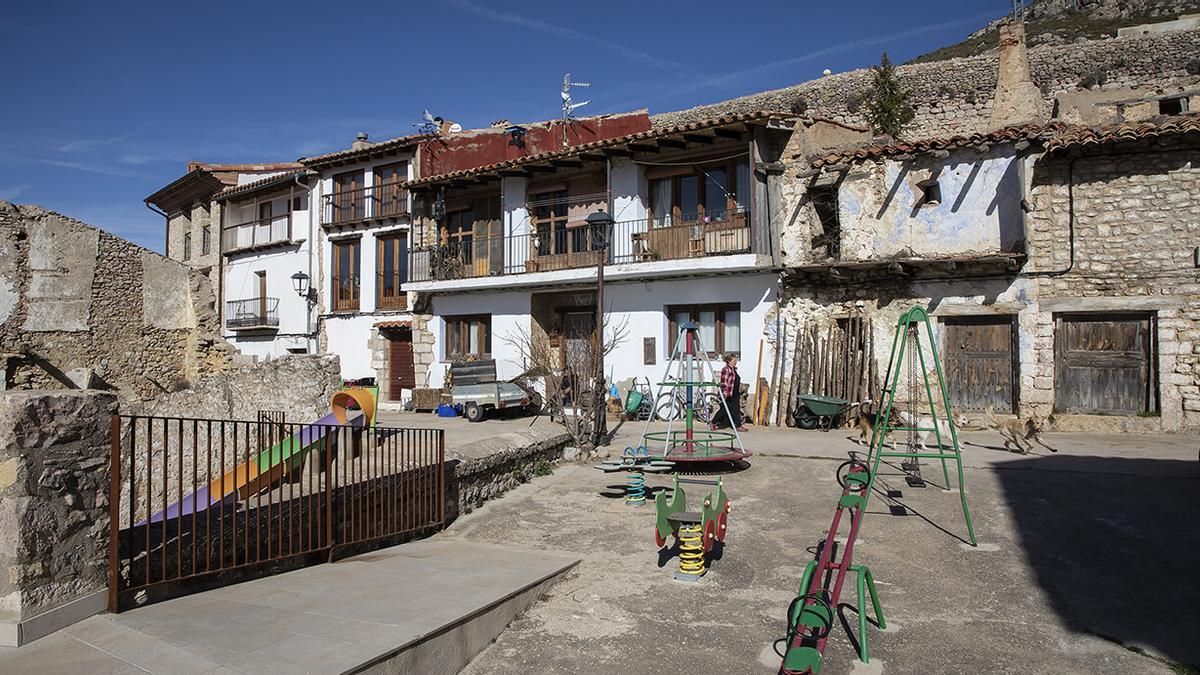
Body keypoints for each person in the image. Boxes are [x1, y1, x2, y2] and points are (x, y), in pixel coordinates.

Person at [712, 353, 747, 432]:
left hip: (735, 393)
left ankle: (738, 425)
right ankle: (713, 422)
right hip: (729, 393)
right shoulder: (726, 369)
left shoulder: (733, 369)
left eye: (736, 360)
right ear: (729, 361)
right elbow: (724, 382)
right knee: (724, 409)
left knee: (736, 409)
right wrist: (724, 393)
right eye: (734, 360)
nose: (736, 362)